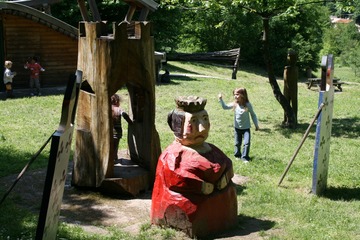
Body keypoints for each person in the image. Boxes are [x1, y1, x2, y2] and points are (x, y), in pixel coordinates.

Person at [151, 96, 237, 238]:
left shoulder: (211, 149)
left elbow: (227, 164)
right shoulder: (173, 155)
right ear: (178, 127)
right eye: (194, 122)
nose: (202, 128)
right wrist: (200, 186)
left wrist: (226, 177)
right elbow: (175, 176)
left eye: (205, 119)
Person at [218, 87, 259, 163]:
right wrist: (220, 99)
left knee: (246, 143)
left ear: (242, 95)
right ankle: (237, 155)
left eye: (237, 94)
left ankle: (245, 157)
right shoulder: (235, 104)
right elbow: (225, 107)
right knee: (237, 143)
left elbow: (253, 115)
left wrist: (256, 125)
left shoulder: (247, 105)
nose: (235, 96)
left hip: (246, 128)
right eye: (234, 94)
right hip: (237, 128)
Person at [111, 94, 131, 161]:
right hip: (117, 132)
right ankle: (114, 158)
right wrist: (130, 122)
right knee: (115, 146)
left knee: (110, 146)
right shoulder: (118, 109)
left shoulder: (107, 108)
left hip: (108, 132)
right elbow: (124, 114)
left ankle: (112, 159)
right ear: (116, 101)